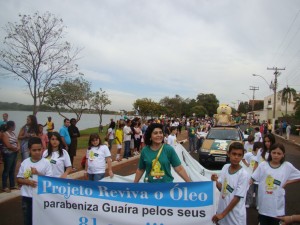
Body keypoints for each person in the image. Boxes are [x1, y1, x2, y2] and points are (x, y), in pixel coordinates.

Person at [251, 143, 300, 225]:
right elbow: (252, 178)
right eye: (274, 153)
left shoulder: (287, 166)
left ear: (283, 155)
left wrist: (287, 182)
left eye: (279, 153)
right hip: (263, 207)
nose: (276, 155)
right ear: (270, 153)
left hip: (277, 208)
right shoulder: (263, 165)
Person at [211, 142, 250, 225]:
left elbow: (237, 198)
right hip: (222, 212)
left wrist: (222, 214)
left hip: (235, 217)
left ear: (242, 156)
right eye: (234, 154)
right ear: (228, 154)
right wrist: (215, 181)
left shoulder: (243, 174)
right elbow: (222, 188)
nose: (236, 157)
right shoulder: (225, 167)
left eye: (239, 155)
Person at [17, 137, 52, 225]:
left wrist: (38, 174)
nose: (37, 152)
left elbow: (50, 181)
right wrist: (27, 182)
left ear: (42, 149)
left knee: (41, 220)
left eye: (39, 150)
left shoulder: (46, 163)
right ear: (29, 150)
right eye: (34, 150)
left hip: (41, 197)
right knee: (28, 220)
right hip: (27, 197)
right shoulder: (25, 163)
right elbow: (19, 179)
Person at [242, 141, 263, 208]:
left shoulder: (261, 156)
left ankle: (258, 204)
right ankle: (248, 203)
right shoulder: (249, 154)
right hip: (251, 176)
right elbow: (243, 158)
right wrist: (247, 164)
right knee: (250, 191)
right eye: (260, 149)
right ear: (257, 149)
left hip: (259, 177)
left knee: (258, 192)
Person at [2, 121, 20, 193]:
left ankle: (12, 185)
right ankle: (4, 186)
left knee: (12, 169)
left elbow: (17, 141)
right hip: (8, 154)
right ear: (11, 126)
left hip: (14, 153)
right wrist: (15, 149)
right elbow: (7, 145)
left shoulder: (13, 133)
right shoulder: (5, 134)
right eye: (14, 125)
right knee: (7, 169)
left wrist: (18, 147)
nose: (15, 127)